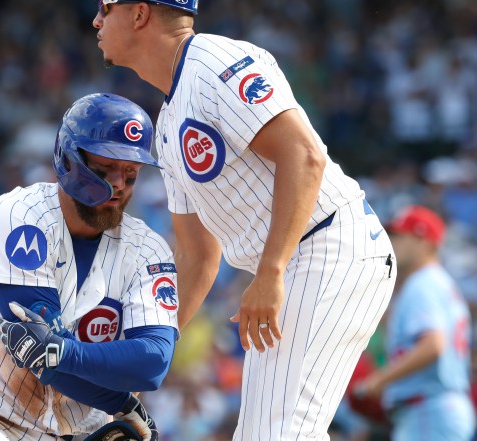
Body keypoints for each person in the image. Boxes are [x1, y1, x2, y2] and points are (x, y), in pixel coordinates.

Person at [92, 2, 398, 439]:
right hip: (301, 258)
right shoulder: (167, 120)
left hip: (328, 247)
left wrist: (271, 270)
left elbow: (304, 155)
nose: (96, 21)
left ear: (140, 13)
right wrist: (146, 348)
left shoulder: (215, 62)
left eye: (105, 7)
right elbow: (198, 257)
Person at [0, 93, 179, 441]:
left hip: (79, 431)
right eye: (105, 169)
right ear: (67, 159)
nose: (119, 184)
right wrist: (119, 399)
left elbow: (152, 363)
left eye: (131, 172)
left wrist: (68, 354)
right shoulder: (18, 216)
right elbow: (36, 353)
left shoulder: (148, 249)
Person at [355, 206, 475, 440]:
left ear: (425, 243)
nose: (393, 243)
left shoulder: (422, 284)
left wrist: (379, 380)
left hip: (428, 409)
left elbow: (433, 345)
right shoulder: (437, 282)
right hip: (438, 409)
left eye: (402, 236)